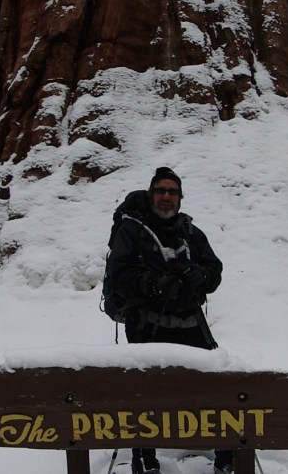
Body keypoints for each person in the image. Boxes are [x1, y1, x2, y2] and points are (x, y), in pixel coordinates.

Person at [106, 166, 233, 474]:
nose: (166, 197)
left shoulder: (190, 232)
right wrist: (153, 285)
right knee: (145, 395)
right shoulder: (131, 229)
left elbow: (214, 271)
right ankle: (145, 462)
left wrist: (199, 276)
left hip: (189, 322)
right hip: (146, 324)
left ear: (180, 197)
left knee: (216, 388)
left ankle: (228, 459)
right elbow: (118, 275)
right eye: (160, 191)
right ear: (151, 195)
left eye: (172, 192)